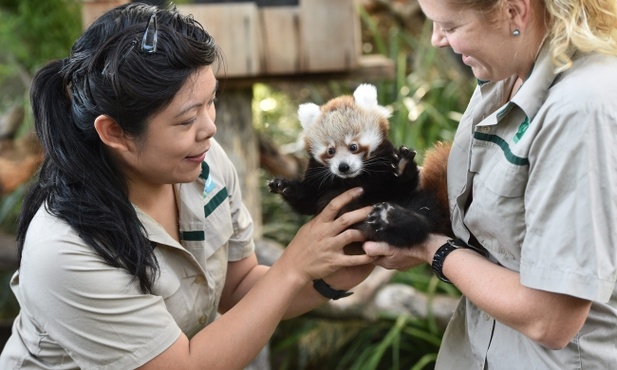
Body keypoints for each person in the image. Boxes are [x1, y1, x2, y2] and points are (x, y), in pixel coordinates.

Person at [0, 3, 377, 369]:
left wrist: (334, 275)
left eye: (211, 101)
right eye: (185, 120)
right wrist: (293, 266)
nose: (209, 127)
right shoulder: (66, 249)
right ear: (114, 131)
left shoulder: (203, 161)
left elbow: (240, 286)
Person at [363, 0, 617, 368]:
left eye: (450, 27)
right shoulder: (507, 75)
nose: (436, 40)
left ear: (514, 12)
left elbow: (551, 319)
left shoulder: (580, 109)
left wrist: (429, 249)